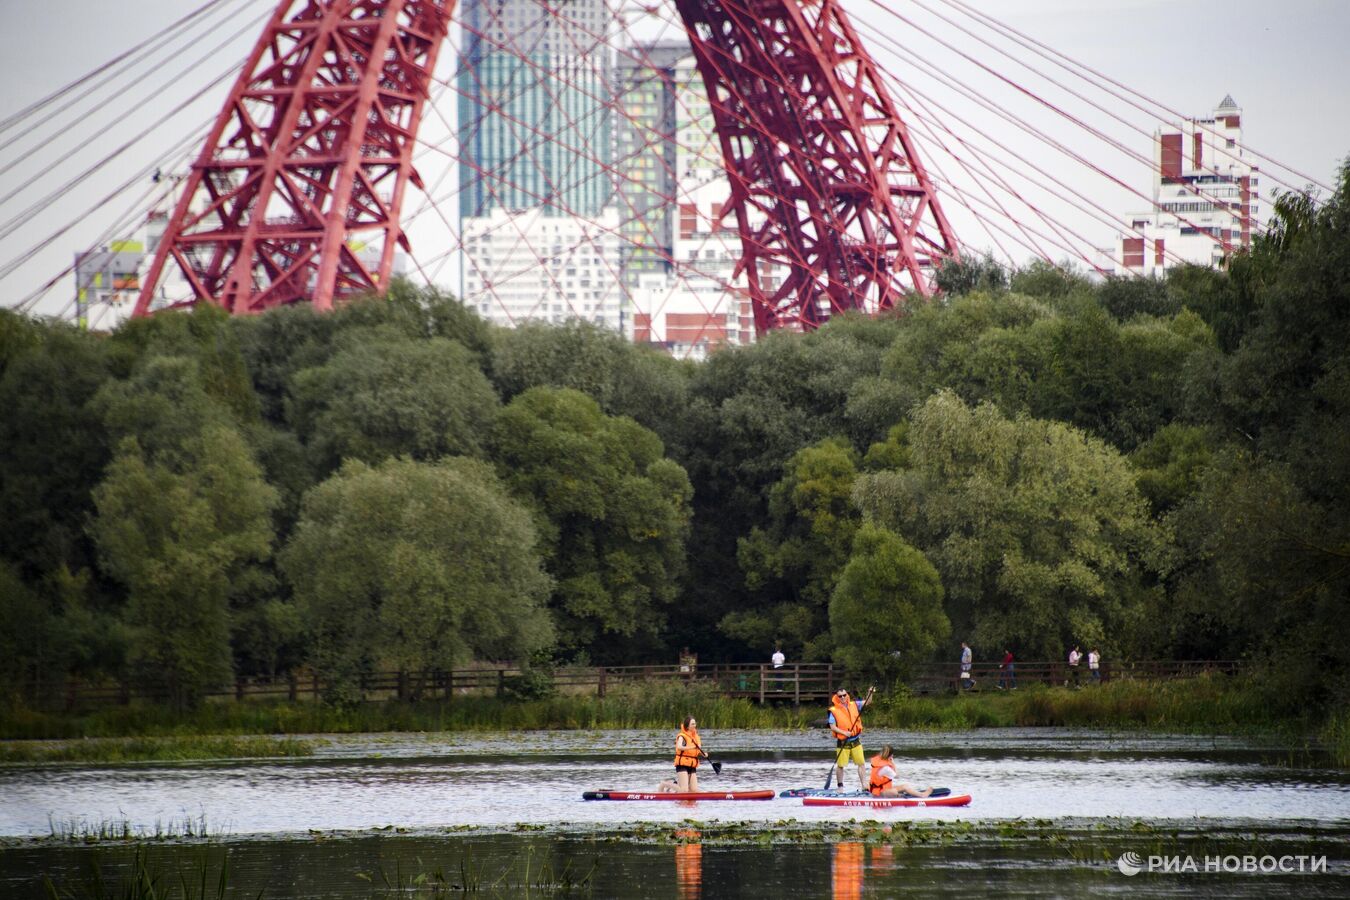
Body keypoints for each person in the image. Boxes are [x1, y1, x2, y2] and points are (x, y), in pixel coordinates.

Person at [828, 687, 871, 791]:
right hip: (843, 741)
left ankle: (864, 785)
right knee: (841, 765)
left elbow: (868, 702)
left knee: (861, 763)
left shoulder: (854, 704)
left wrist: (870, 692)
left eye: (844, 695)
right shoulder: (833, 711)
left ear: (847, 695)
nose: (842, 697)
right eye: (840, 696)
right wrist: (844, 733)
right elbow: (832, 727)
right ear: (837, 697)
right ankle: (840, 787)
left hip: (856, 740)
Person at [868, 744, 933, 798]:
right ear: (890, 756)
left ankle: (917, 794)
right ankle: (922, 795)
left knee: (905, 786)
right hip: (878, 793)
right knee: (894, 792)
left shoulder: (880, 761)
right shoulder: (886, 768)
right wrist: (893, 763)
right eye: (892, 755)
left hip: (880, 790)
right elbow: (897, 775)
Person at [674, 716, 706, 792]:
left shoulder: (696, 737)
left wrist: (703, 754)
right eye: (692, 724)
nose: (694, 725)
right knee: (684, 790)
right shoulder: (682, 736)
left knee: (694, 790)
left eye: (695, 724)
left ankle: (677, 784)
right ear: (687, 726)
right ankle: (669, 785)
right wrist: (691, 747)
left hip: (692, 765)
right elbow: (679, 746)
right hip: (682, 765)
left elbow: (698, 749)